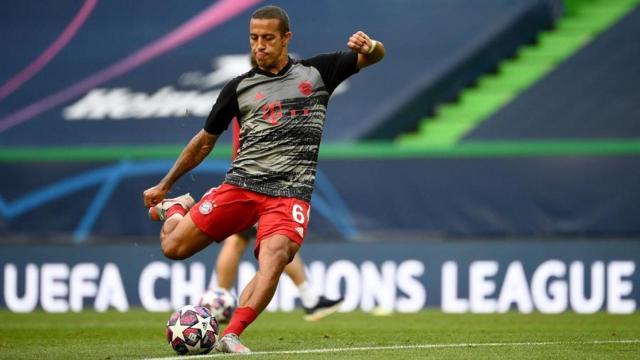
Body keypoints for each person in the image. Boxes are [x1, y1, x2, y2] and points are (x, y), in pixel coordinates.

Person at [143, 4, 385, 353]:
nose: (260, 46)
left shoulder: (318, 72)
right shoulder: (238, 89)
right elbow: (204, 142)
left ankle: (232, 334)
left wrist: (371, 45)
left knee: (275, 257)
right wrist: (166, 185)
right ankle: (179, 207)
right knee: (173, 248)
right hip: (242, 185)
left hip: (289, 194)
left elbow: (376, 56)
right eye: (254, 38)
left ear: (286, 38)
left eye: (268, 38)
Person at [216, 229, 344, 321]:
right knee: (278, 238)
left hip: (242, 193)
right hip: (263, 192)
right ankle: (310, 300)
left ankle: (219, 303)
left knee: (237, 238)